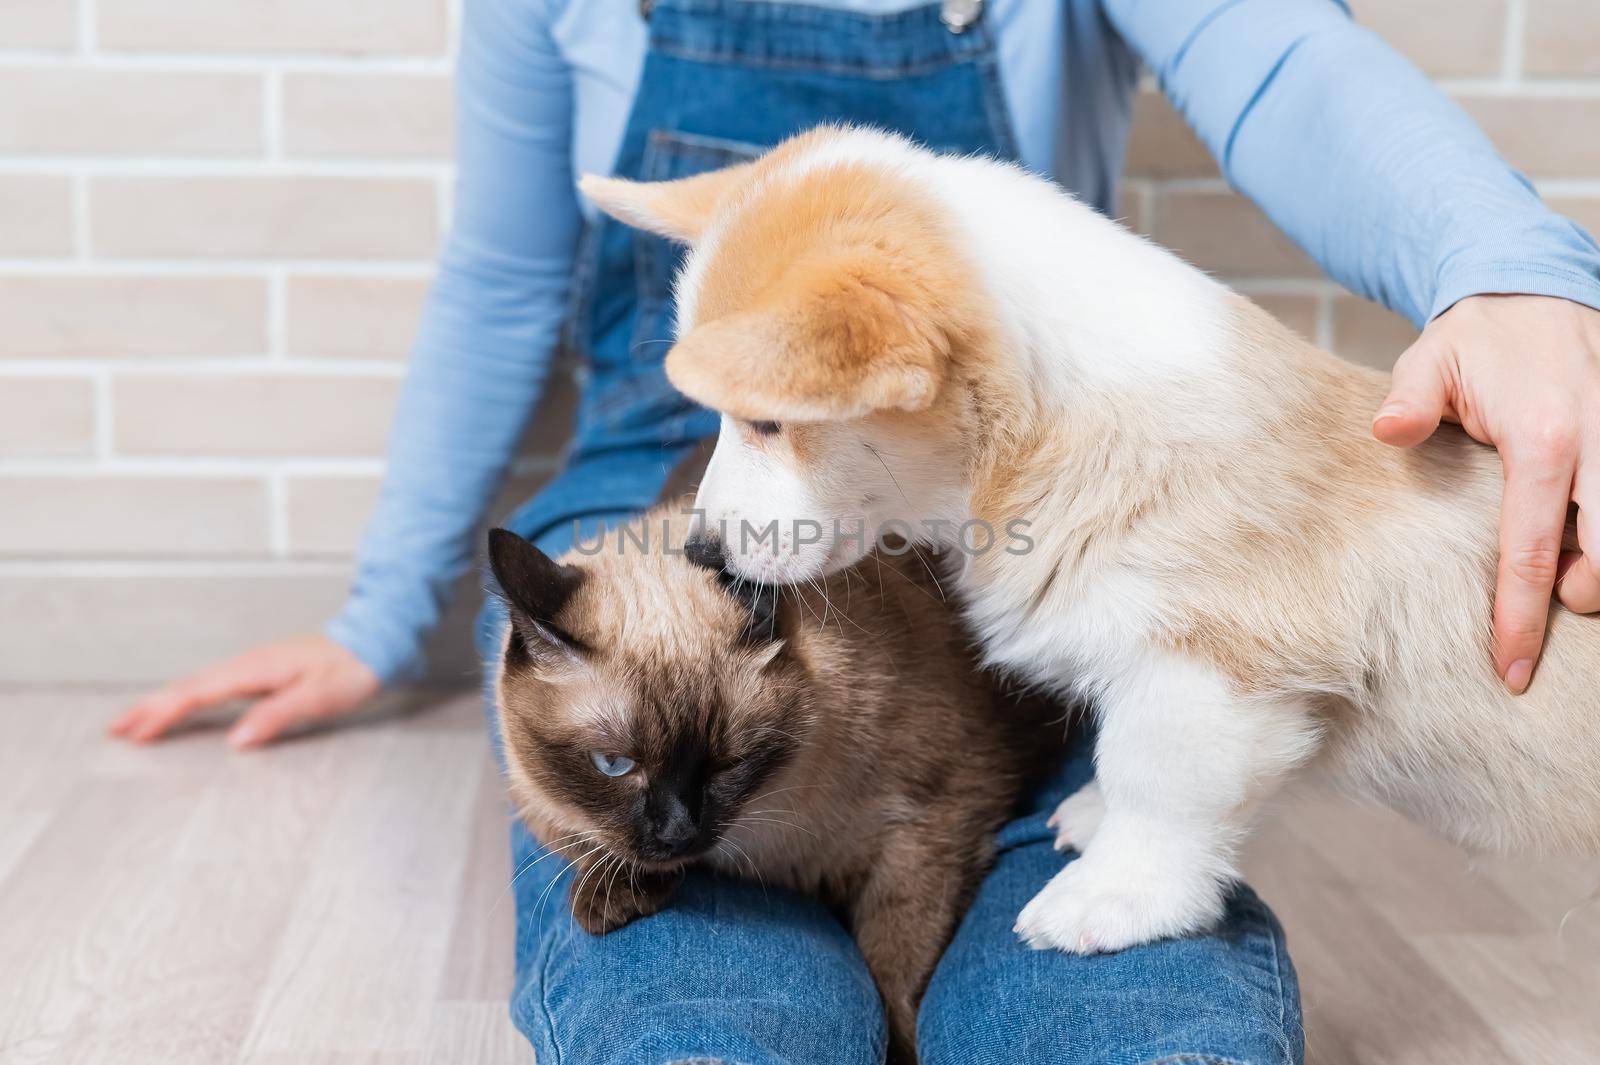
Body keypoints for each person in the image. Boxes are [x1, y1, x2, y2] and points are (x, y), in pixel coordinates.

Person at [112, 1, 1600, 1061]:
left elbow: (1289, 64)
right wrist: (380, 616)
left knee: (1139, 1012)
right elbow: (503, 283)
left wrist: (1513, 271)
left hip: (974, 509)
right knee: (696, 1009)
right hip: (651, 499)